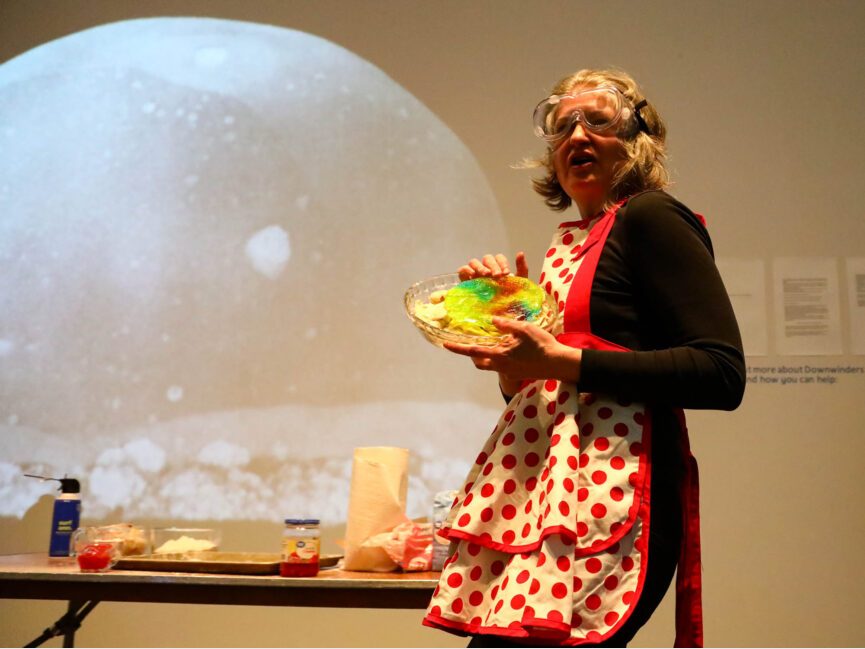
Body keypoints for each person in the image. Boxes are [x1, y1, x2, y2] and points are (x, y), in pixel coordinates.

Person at [421, 69, 745, 647]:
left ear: (639, 140)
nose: (576, 135)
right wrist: (511, 346)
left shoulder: (651, 217)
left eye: (598, 120)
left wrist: (563, 362)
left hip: (611, 494)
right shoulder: (571, 242)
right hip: (552, 501)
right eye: (561, 124)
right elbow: (550, 390)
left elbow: (720, 372)